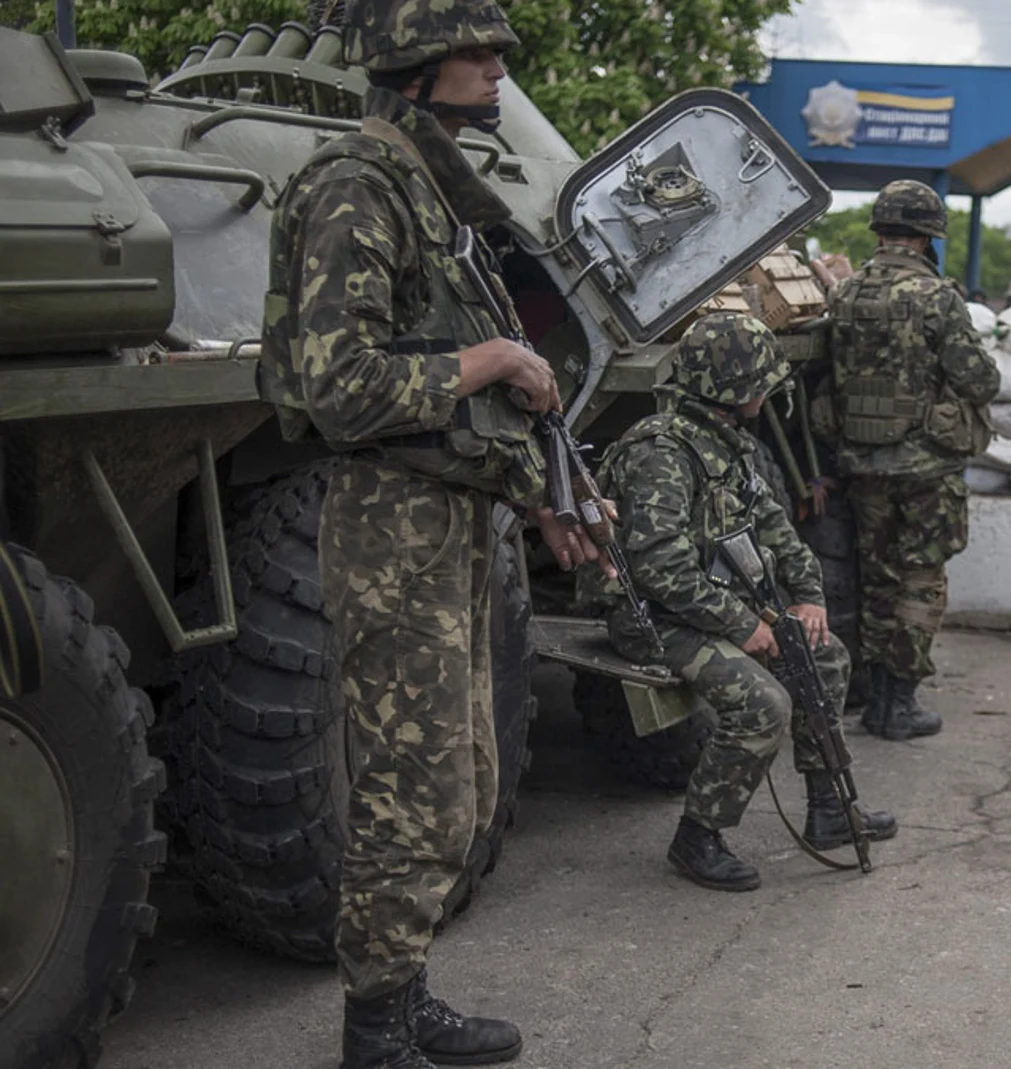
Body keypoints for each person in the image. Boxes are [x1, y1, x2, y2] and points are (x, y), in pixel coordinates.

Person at [259, 1, 610, 1065]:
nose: (499, 67)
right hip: (391, 517)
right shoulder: (357, 184)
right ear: (414, 67)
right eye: (476, 50)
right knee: (413, 789)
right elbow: (344, 388)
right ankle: (375, 1026)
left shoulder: (431, 193)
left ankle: (403, 989)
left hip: (452, 514)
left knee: (463, 779)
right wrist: (499, 360)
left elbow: (461, 410)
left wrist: (542, 489)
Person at [592, 313, 897, 891]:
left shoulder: (729, 446)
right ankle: (697, 836)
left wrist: (808, 598)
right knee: (763, 704)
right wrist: (738, 624)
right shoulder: (661, 451)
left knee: (824, 656)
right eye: (760, 380)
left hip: (707, 608)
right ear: (735, 389)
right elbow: (659, 567)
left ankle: (830, 810)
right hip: (653, 619)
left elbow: (778, 532)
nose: (768, 391)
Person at [828, 180, 1000, 739]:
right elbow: (980, 379)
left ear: (879, 230)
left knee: (876, 581)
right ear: (929, 239)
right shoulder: (936, 298)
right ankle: (899, 703)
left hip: (862, 465)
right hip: (926, 469)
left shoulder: (846, 294)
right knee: (920, 580)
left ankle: (874, 696)